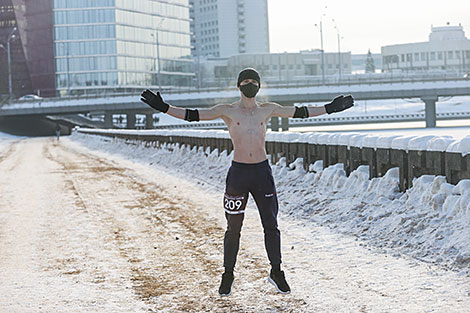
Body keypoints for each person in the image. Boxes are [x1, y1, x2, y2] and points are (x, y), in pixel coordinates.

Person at [140, 68, 354, 296]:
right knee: (233, 228)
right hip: (238, 174)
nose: (250, 84)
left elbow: (300, 112)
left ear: (259, 86)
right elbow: (193, 114)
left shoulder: (267, 109)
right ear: (239, 86)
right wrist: (164, 108)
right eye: (246, 81)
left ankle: (276, 272)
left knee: (271, 225)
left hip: (262, 173)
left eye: (254, 81)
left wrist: (330, 108)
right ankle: (228, 275)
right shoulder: (227, 111)